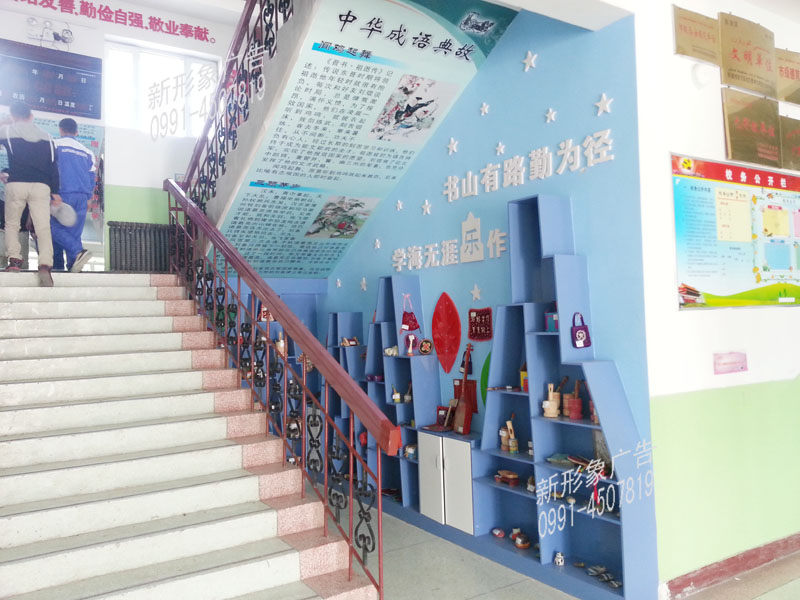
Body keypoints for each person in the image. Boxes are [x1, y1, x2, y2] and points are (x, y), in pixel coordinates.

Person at [0, 100, 61, 286]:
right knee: (43, 227)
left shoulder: (8, 131)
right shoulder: (48, 137)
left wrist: (5, 122)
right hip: (41, 186)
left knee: (12, 225)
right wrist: (56, 192)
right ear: (31, 116)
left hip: (16, 183)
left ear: (13, 116)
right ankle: (45, 264)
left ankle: (15, 260)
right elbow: (53, 167)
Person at [51, 117, 95, 272]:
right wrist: (89, 198)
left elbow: (48, 169)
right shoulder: (88, 152)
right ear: (77, 132)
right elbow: (92, 177)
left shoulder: (54, 145)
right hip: (82, 196)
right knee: (74, 232)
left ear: (60, 130)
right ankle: (73, 266)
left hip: (61, 194)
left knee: (50, 228)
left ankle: (76, 253)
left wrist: (51, 192)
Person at [0, 168, 32, 269]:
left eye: (6, 178)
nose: (4, 180)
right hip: (3, 230)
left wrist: (29, 220)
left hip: (22, 230)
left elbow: (30, 207)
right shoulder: (2, 194)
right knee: (2, 259)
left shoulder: (24, 192)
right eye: (2, 178)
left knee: (22, 261)